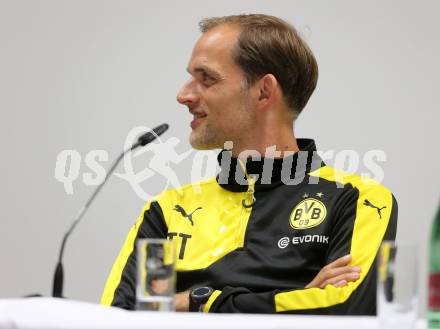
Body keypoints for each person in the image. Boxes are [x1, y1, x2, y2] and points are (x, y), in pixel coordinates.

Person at [101, 14, 397, 314]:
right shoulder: (167, 211)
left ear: (264, 91)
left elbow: (345, 310)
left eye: (207, 78)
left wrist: (196, 301)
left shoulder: (357, 199)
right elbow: (117, 318)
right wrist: (297, 299)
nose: (183, 95)